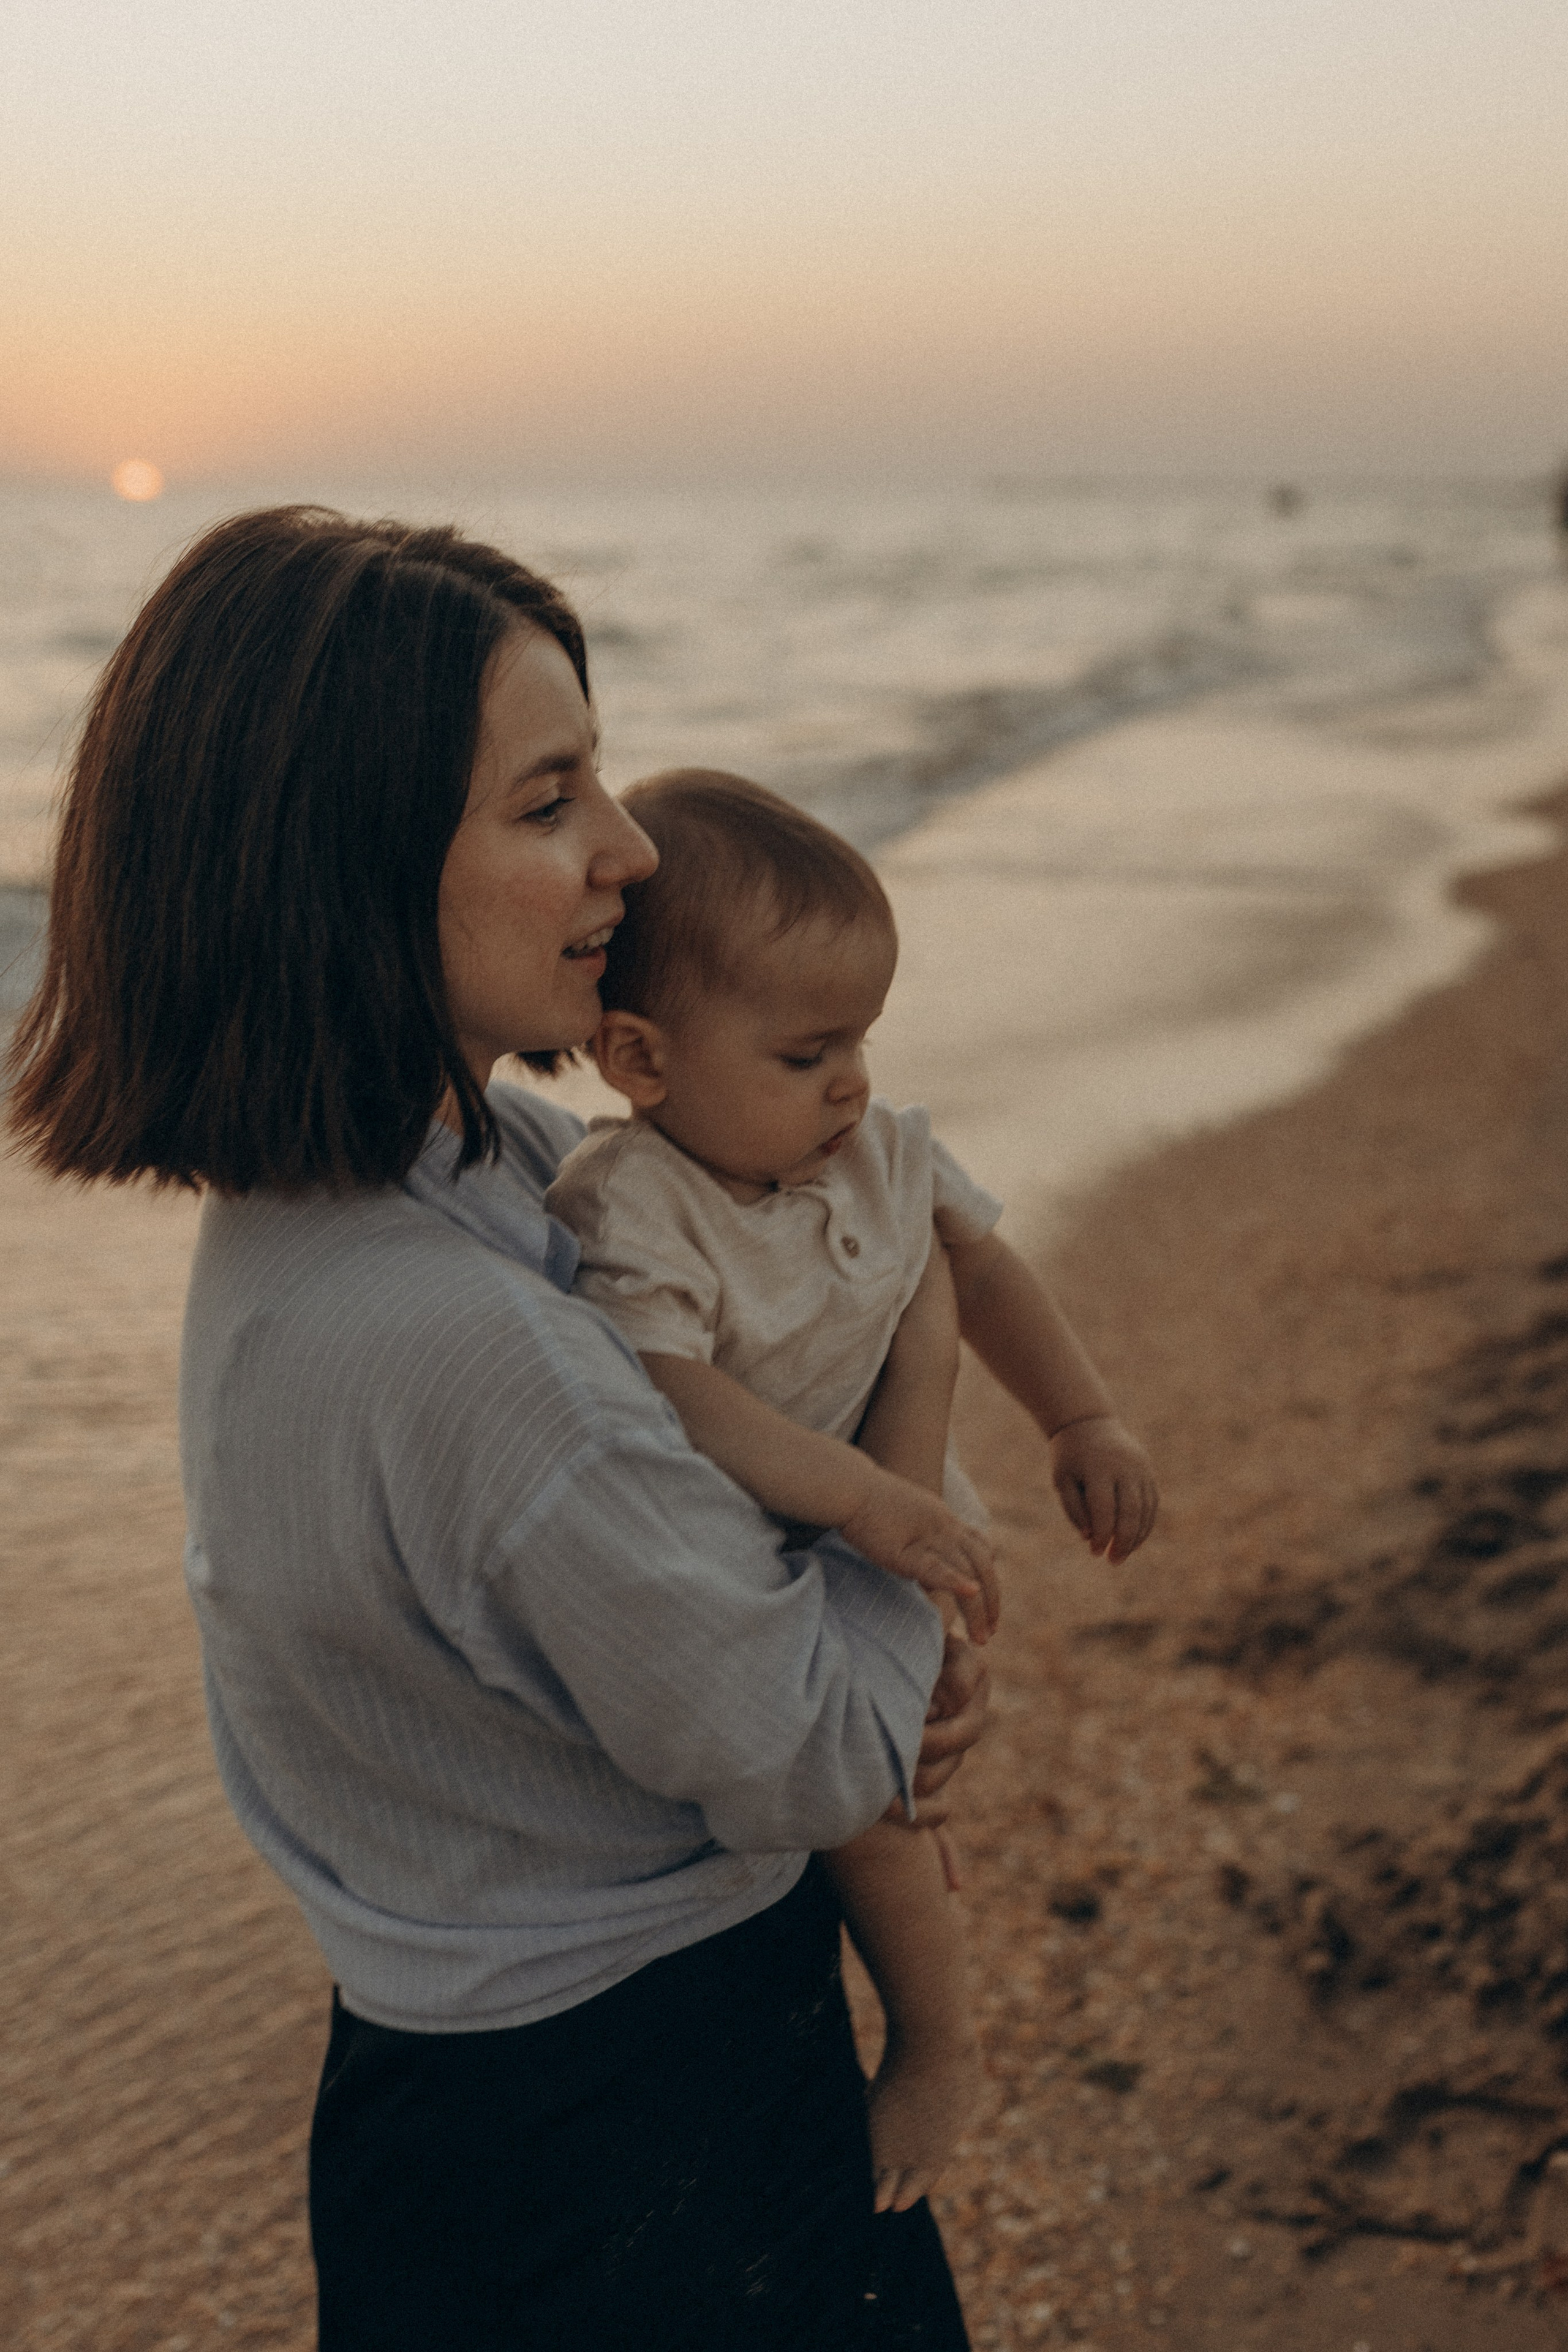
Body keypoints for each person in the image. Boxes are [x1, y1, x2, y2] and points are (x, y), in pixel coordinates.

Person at [4, 507, 991, 2350]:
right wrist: (912, 1492)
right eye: (549, 803)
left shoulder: (387, 1193)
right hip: (635, 2136)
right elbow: (822, 1748)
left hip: (433, 2093)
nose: (629, 850)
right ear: (350, 865)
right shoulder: (475, 1339)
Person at [546, 768, 1159, 2218]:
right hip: (764, 1554)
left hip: (901, 1520)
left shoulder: (880, 1153)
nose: (853, 1083)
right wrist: (855, 1499)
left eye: (863, 1041)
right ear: (642, 1057)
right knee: (868, 1803)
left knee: (903, 1772)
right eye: (808, 1052)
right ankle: (936, 2041)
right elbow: (673, 1390)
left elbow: (986, 1271)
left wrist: (1079, 1414)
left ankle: (936, 2034)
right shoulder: (628, 1203)